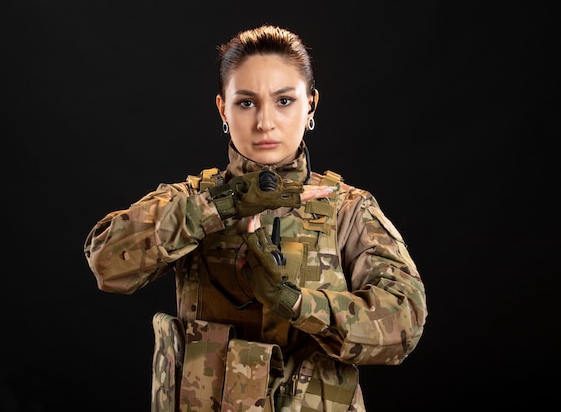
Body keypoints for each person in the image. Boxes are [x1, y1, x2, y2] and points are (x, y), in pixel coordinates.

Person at [84, 24, 427, 412]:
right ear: (222, 109)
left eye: (284, 101)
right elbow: (107, 263)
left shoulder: (347, 209)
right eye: (246, 102)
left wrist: (295, 303)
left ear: (310, 104)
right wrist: (219, 205)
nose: (265, 122)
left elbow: (405, 322)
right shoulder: (191, 200)